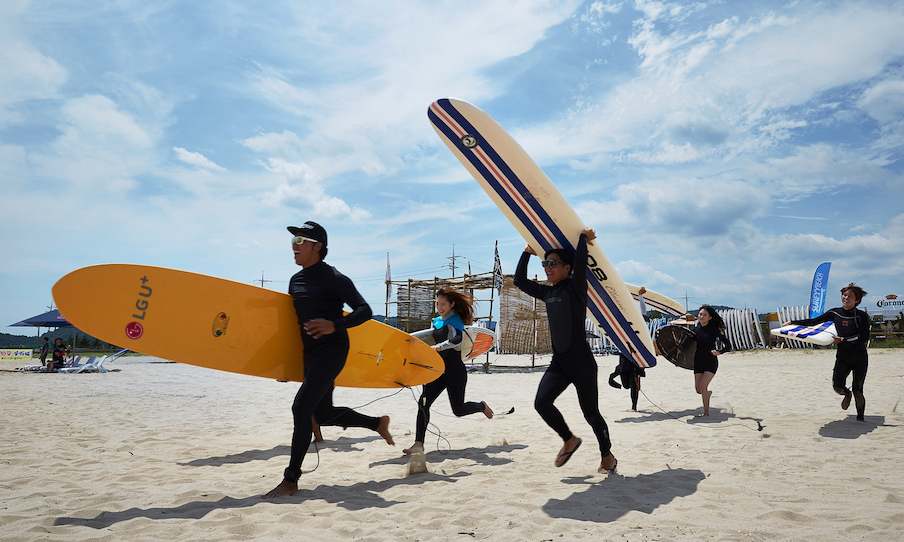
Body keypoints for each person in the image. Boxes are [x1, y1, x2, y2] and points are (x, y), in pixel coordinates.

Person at [263, 221, 376, 499]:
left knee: (301, 407)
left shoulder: (334, 278)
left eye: (300, 240)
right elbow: (291, 326)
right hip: (309, 353)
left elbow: (365, 310)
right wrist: (282, 362)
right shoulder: (295, 280)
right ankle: (377, 424)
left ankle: (291, 480)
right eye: (293, 241)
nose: (294, 246)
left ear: (317, 246)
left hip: (333, 349)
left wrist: (334, 325)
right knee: (322, 413)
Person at [513, 227, 617, 474]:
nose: (547, 267)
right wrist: (526, 253)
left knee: (591, 414)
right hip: (559, 363)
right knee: (541, 403)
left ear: (567, 269)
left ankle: (607, 455)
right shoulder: (547, 292)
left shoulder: (576, 288)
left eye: (553, 263)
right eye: (545, 263)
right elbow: (519, 280)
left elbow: (581, 262)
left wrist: (583, 239)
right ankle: (569, 439)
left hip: (582, 363)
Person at [402, 286, 493, 455]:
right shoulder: (436, 321)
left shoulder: (455, 320)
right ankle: (418, 443)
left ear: (452, 304)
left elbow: (458, 338)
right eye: (437, 304)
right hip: (436, 371)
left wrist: (441, 346)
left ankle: (480, 406)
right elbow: (424, 340)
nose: (440, 307)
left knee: (458, 410)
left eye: (443, 304)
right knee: (423, 403)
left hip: (454, 371)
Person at [785, 283, 870, 421]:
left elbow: (864, 337)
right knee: (837, 386)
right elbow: (814, 322)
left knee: (858, 389)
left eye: (850, 296)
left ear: (857, 300)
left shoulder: (861, 316)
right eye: (844, 295)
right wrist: (792, 323)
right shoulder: (834, 313)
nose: (846, 298)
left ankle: (860, 418)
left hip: (859, 357)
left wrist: (842, 339)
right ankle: (846, 394)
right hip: (843, 357)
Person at [609, 287, 648, 411]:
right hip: (624, 354)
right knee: (625, 382)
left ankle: (634, 406)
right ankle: (612, 379)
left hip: (635, 355)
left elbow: (643, 312)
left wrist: (640, 296)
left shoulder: (637, 323)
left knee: (634, 383)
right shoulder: (620, 322)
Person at [691, 305, 731, 416]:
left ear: (710, 317)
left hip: (710, 362)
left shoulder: (714, 329)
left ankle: (706, 413)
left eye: (704, 315)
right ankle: (707, 394)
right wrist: (678, 360)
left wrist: (720, 351)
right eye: (700, 314)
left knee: (703, 386)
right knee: (698, 389)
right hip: (698, 362)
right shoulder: (695, 330)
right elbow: (686, 347)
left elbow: (728, 345)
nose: (702, 316)